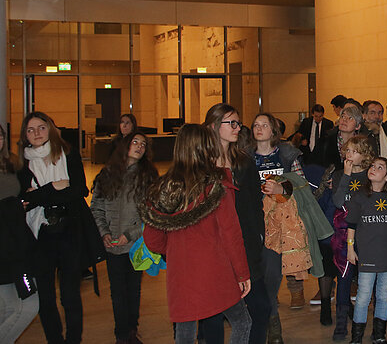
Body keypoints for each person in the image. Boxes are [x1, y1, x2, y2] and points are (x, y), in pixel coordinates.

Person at [140, 124, 252, 344]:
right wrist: (242, 274)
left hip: (180, 273)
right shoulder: (216, 185)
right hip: (216, 270)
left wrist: (174, 249)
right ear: (207, 148)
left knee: (185, 331)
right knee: (242, 322)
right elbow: (231, 234)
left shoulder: (163, 188)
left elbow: (152, 240)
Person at [17, 112, 105, 344]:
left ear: (51, 129)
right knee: (45, 297)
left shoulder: (67, 153)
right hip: (40, 233)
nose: (36, 133)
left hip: (69, 230)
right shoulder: (21, 164)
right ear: (24, 136)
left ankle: (73, 340)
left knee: (70, 295)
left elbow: (78, 191)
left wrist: (37, 195)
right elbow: (24, 202)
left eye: (41, 127)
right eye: (30, 130)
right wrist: (55, 186)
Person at [204, 104, 270, 344]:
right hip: (213, 249)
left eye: (238, 123)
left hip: (245, 245)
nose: (237, 128)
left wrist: (258, 235)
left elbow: (254, 203)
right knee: (212, 316)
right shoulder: (201, 164)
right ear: (213, 126)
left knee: (260, 308)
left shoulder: (243, 162)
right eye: (230, 123)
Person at [91, 132, 158, 344]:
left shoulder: (148, 176)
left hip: (136, 244)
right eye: (135, 142)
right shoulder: (107, 175)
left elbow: (152, 214)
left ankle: (131, 330)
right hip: (112, 245)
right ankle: (122, 334)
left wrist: (129, 235)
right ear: (125, 146)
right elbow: (97, 208)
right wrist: (105, 233)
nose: (139, 147)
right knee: (117, 292)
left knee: (133, 290)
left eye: (143, 144)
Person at [250, 111, 310, 343]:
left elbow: (301, 186)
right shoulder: (244, 157)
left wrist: (282, 189)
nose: (259, 128)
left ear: (274, 131)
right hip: (252, 222)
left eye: (264, 125)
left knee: (272, 276)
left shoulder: (287, 154)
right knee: (256, 277)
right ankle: (264, 319)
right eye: (256, 125)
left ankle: (272, 322)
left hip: (280, 225)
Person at [346, 157, 387, 344]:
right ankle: (357, 337)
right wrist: (350, 248)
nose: (373, 169)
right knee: (363, 295)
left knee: (383, 294)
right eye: (372, 166)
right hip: (367, 255)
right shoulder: (359, 197)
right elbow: (352, 225)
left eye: (379, 168)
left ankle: (379, 335)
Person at [330, 135, 376, 340]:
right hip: (343, 233)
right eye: (347, 150)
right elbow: (338, 201)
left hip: (367, 233)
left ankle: (372, 321)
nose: (349, 154)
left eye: (354, 151)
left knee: (369, 278)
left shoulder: (371, 175)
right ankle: (340, 324)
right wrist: (346, 175)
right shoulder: (340, 175)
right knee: (344, 276)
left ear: (365, 155)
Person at [0, 124, 39, 343]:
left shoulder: (11, 164)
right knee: (25, 306)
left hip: (16, 244)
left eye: (0, 136)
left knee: (15, 307)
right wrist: (13, 206)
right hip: (6, 250)